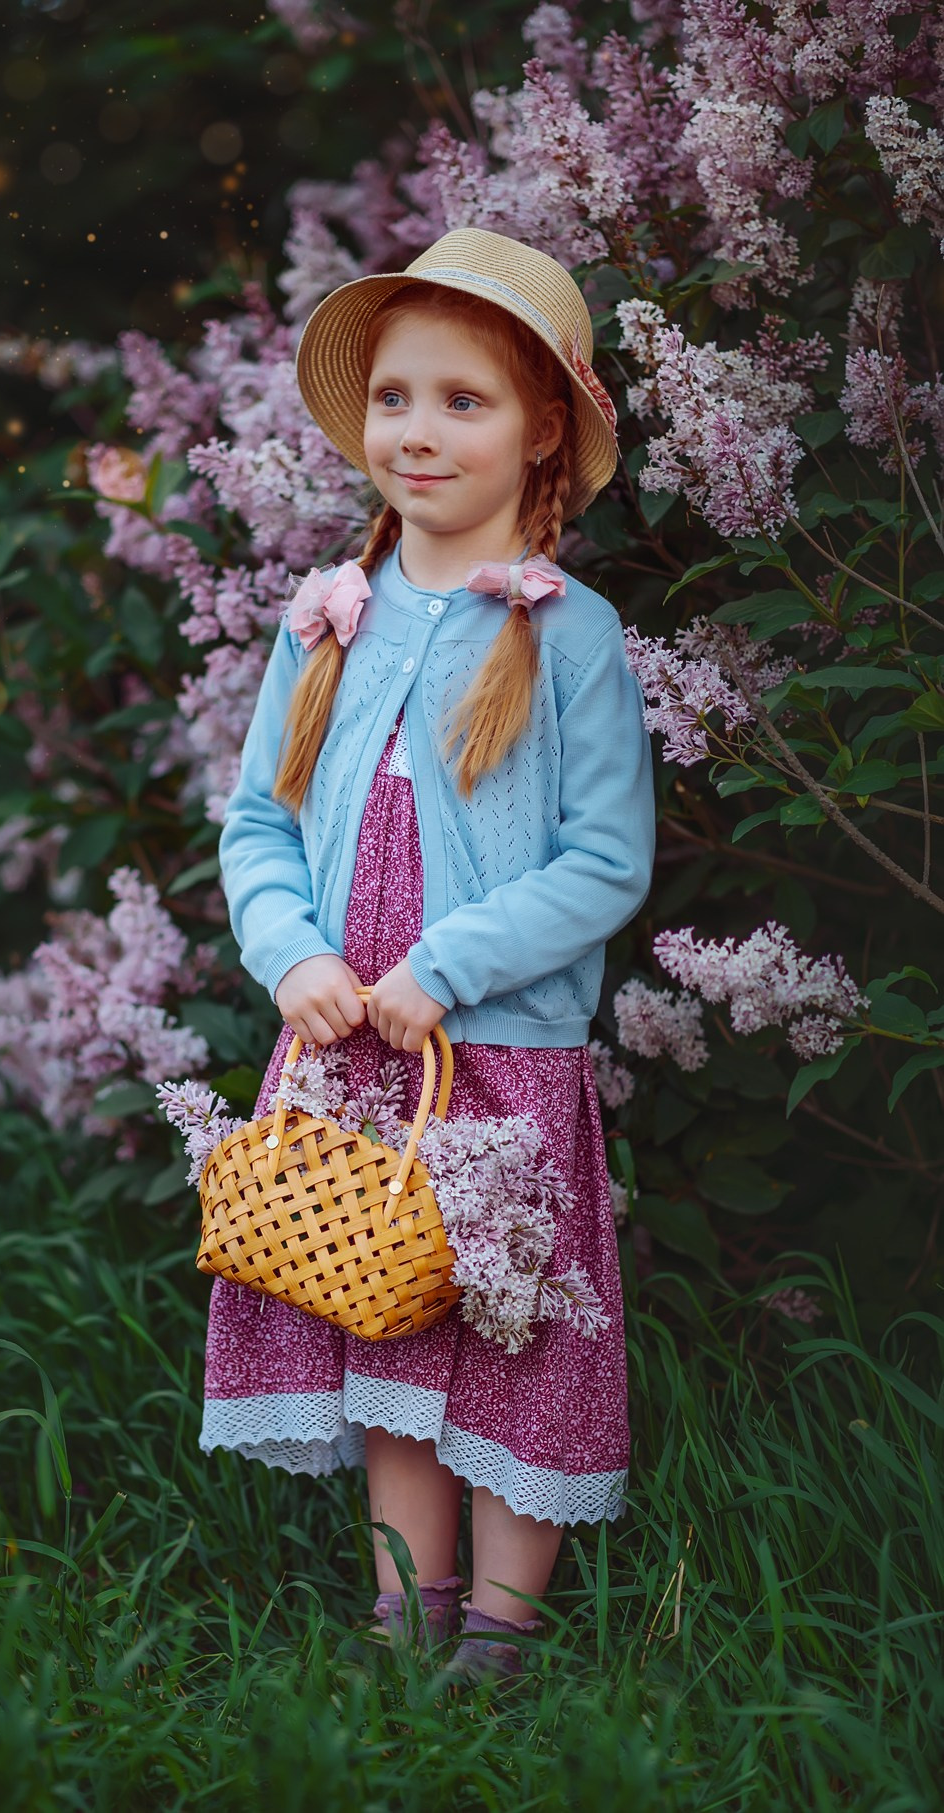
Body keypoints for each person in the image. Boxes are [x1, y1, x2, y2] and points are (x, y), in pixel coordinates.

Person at [203, 227, 655, 1683]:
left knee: (508, 1325)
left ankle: (506, 1633)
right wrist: (290, 957)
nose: (418, 428)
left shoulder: (570, 634)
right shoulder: (326, 618)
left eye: (465, 400)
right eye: (397, 395)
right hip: (348, 1048)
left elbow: (605, 859)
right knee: (381, 1302)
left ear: (540, 434)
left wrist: (446, 964)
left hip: (495, 1049)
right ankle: (410, 1606)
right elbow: (257, 825)